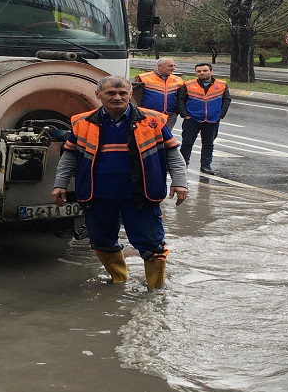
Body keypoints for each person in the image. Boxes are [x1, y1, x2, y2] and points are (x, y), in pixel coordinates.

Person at [52, 76, 188, 289]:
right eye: (111, 93)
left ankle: (155, 291)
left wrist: (179, 182)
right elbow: (69, 156)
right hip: (98, 195)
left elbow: (172, 153)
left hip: (141, 194)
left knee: (152, 244)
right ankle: (118, 282)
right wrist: (60, 184)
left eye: (122, 93)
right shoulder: (81, 122)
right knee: (101, 241)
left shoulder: (152, 120)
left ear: (130, 93)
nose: (117, 97)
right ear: (98, 95)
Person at [177, 62, 231, 176]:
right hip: (192, 119)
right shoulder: (188, 84)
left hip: (212, 119)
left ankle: (206, 166)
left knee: (208, 144)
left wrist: (221, 115)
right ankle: (183, 165)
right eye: (199, 71)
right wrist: (185, 115)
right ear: (196, 73)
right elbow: (180, 100)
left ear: (211, 71)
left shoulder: (222, 84)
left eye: (205, 70)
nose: (202, 73)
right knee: (187, 143)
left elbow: (226, 99)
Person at [132, 57, 184, 128]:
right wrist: (138, 112)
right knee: (150, 137)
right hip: (149, 115)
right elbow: (135, 97)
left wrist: (176, 112)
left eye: (174, 65)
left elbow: (181, 97)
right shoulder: (143, 78)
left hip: (170, 116)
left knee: (166, 138)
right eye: (170, 66)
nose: (173, 68)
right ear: (159, 66)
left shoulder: (178, 80)